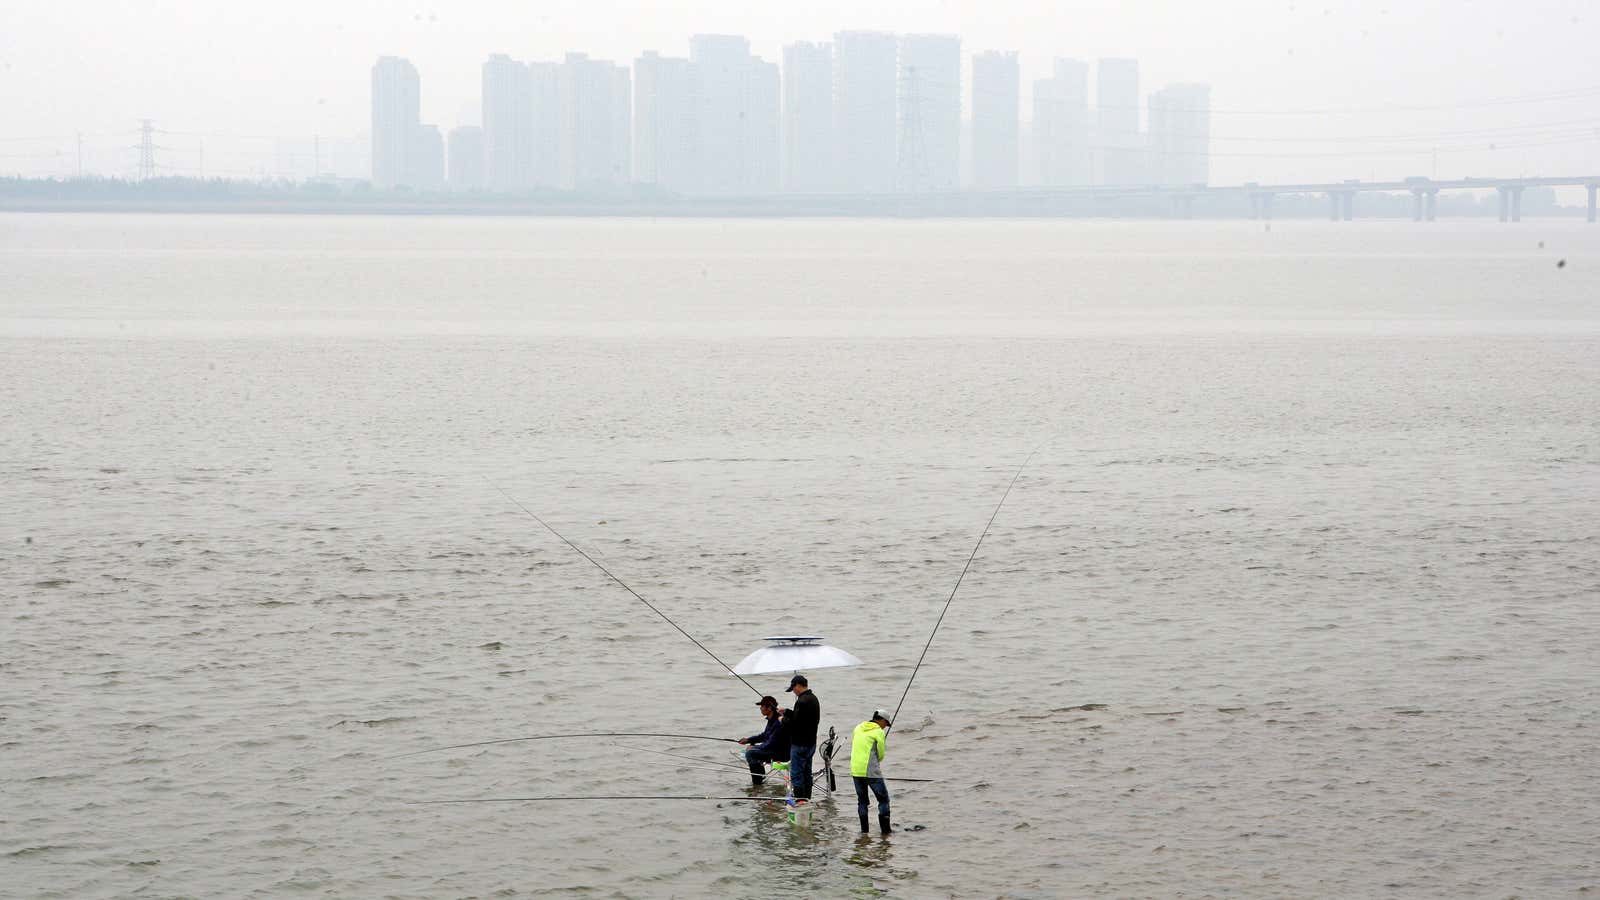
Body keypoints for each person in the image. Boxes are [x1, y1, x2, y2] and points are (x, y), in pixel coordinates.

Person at [850, 709, 892, 833]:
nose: (885, 727)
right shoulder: (879, 732)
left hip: (856, 770)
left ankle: (864, 831)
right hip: (871, 771)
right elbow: (881, 754)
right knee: (883, 800)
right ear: (882, 720)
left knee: (862, 801)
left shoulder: (858, 727)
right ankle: (885, 831)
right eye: (886, 724)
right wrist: (875, 761)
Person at [737, 695, 789, 786]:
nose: (760, 708)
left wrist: (756, 747)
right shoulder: (771, 719)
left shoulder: (779, 721)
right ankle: (761, 776)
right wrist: (748, 740)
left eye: (762, 706)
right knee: (751, 750)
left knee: (750, 753)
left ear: (769, 708)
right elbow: (765, 736)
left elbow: (772, 743)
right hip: (774, 750)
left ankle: (757, 783)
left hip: (781, 754)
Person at [785, 674, 820, 801]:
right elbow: (804, 719)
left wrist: (782, 719)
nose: (793, 691)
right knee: (806, 773)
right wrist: (787, 712)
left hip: (799, 744)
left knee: (796, 775)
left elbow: (795, 724)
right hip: (810, 743)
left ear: (798, 685)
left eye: (793, 688)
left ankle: (800, 801)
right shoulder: (813, 699)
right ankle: (807, 800)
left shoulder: (801, 701)